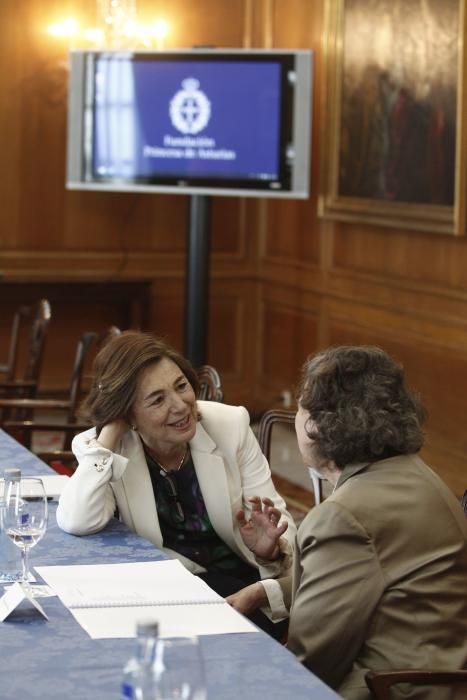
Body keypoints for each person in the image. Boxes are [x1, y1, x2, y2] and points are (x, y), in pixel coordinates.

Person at [227, 345, 467, 699]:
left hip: (391, 688)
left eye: (300, 406)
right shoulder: (417, 474)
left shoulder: (344, 517)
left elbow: (310, 661)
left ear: (314, 426)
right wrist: (264, 590)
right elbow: (368, 579)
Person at [56, 331, 295, 637]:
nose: (181, 406)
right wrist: (113, 431)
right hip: (169, 591)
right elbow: (77, 520)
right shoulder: (104, 447)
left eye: (181, 386)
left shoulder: (230, 425)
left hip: (242, 589)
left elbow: (282, 522)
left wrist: (270, 551)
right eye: (157, 400)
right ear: (127, 414)